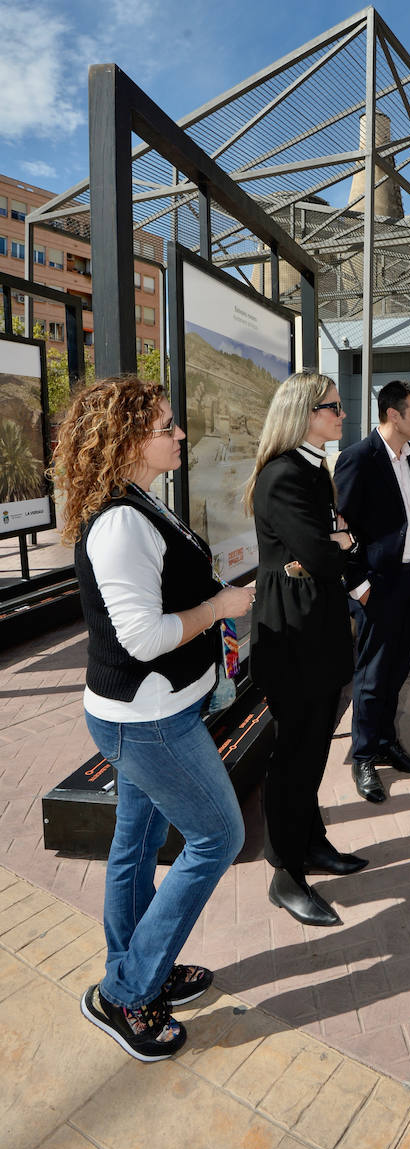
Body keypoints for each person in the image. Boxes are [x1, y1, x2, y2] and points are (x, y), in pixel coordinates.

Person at [54, 377, 254, 1062]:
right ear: (128, 440)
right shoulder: (120, 524)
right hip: (148, 721)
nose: (179, 434)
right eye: (166, 425)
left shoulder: (139, 504)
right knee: (219, 836)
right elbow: (141, 638)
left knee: (135, 847)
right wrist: (221, 609)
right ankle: (127, 991)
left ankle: (138, 969)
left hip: (152, 713)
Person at [244, 372, 366, 927]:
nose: (342, 415)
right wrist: (340, 543)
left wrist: (336, 543)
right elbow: (320, 553)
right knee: (293, 757)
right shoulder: (284, 475)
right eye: (333, 408)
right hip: (292, 636)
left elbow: (324, 549)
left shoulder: (310, 469)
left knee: (314, 748)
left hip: (313, 627)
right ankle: (286, 872)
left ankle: (311, 844)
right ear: (303, 412)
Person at [334, 381, 410, 806]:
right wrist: (359, 587)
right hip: (378, 586)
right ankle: (362, 756)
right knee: (373, 675)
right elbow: (340, 528)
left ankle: (385, 742)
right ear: (392, 415)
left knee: (397, 672)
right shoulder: (358, 459)